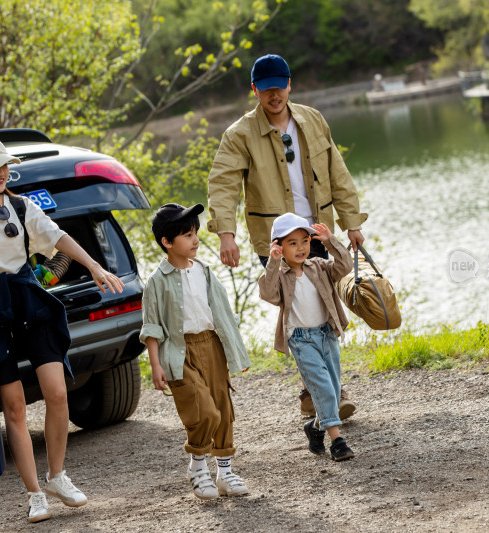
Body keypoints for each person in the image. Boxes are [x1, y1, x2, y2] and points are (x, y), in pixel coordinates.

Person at [0, 135, 125, 523]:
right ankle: (34, 493)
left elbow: (57, 238)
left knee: (57, 392)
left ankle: (57, 476)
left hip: (28, 298)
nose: (2, 172)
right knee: (15, 407)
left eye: (5, 165)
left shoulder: (21, 207)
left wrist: (95, 266)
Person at [207, 53, 366, 419]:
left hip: (316, 234)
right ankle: (329, 392)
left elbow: (338, 173)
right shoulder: (239, 134)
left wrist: (351, 222)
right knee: (298, 316)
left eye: (279, 88)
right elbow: (223, 185)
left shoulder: (312, 119)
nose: (274, 96)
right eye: (266, 90)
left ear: (289, 84)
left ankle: (317, 393)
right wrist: (225, 234)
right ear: (255, 91)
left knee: (324, 310)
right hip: (276, 243)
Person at [139, 203, 252, 500]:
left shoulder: (205, 271)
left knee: (223, 410)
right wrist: (155, 365)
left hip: (211, 345)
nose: (196, 240)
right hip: (179, 353)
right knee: (203, 410)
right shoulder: (156, 281)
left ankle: (225, 473)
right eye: (188, 235)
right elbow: (152, 327)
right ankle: (198, 467)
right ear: (167, 242)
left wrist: (236, 352)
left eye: (196, 233)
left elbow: (224, 314)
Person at [258, 213, 355, 461]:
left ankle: (314, 428)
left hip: (326, 333)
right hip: (301, 340)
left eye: (305, 241)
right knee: (322, 387)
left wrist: (330, 241)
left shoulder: (319, 267)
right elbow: (268, 293)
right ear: (278, 247)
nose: (301, 248)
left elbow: (345, 267)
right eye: (292, 243)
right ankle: (338, 441)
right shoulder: (279, 275)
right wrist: (272, 262)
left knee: (332, 389)